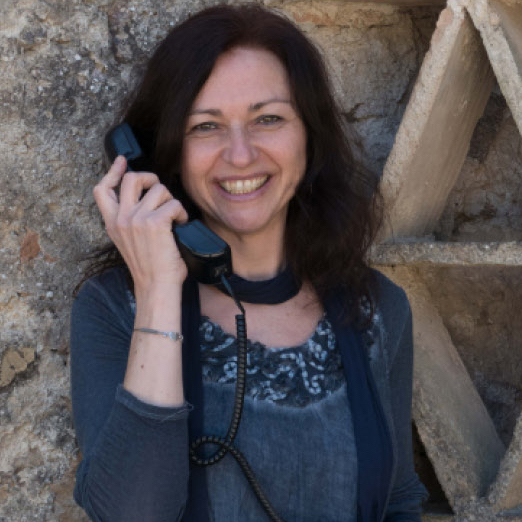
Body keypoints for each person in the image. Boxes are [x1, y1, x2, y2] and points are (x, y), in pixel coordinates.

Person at [70, 4, 428, 522]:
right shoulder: (113, 308)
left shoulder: (377, 309)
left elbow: (397, 501)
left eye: (268, 119)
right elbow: (131, 513)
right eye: (206, 126)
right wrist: (158, 293)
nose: (240, 155)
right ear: (160, 153)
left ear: (310, 133)